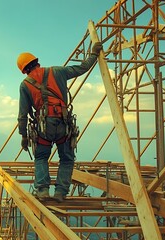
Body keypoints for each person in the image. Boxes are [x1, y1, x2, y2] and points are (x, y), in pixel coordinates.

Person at [17, 42, 102, 202]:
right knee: (67, 158)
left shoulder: (25, 84)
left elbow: (23, 114)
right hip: (64, 123)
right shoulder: (58, 71)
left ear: (24, 70)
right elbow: (82, 68)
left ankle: (42, 190)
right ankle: (61, 192)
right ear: (37, 62)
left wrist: (24, 136)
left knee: (41, 157)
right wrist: (94, 54)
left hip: (43, 126)